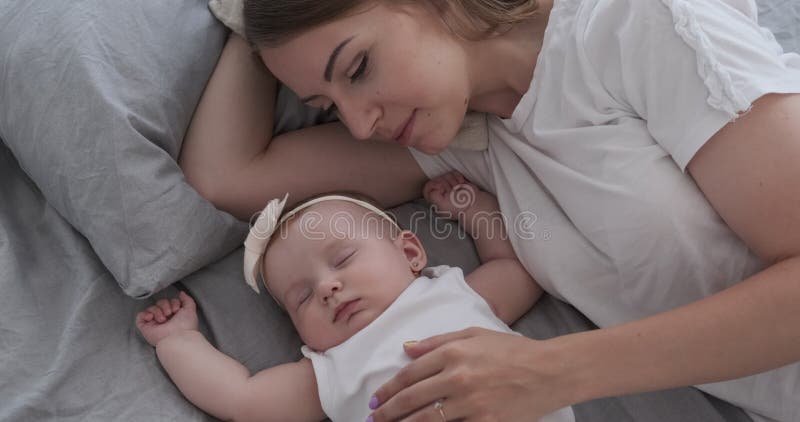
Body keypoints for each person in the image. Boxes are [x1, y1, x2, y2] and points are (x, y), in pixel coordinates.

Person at [178, 0, 800, 420]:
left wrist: (551, 373)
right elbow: (225, 174)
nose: (360, 125)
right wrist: (252, 18)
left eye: (359, 68)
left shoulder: (635, 26)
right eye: (326, 102)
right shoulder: (467, 142)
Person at [136, 175, 575, 422]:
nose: (327, 288)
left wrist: (472, 207)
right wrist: (179, 341)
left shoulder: (453, 295)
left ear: (409, 252)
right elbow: (243, 400)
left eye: (343, 259)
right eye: (302, 297)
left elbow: (517, 269)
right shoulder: (332, 368)